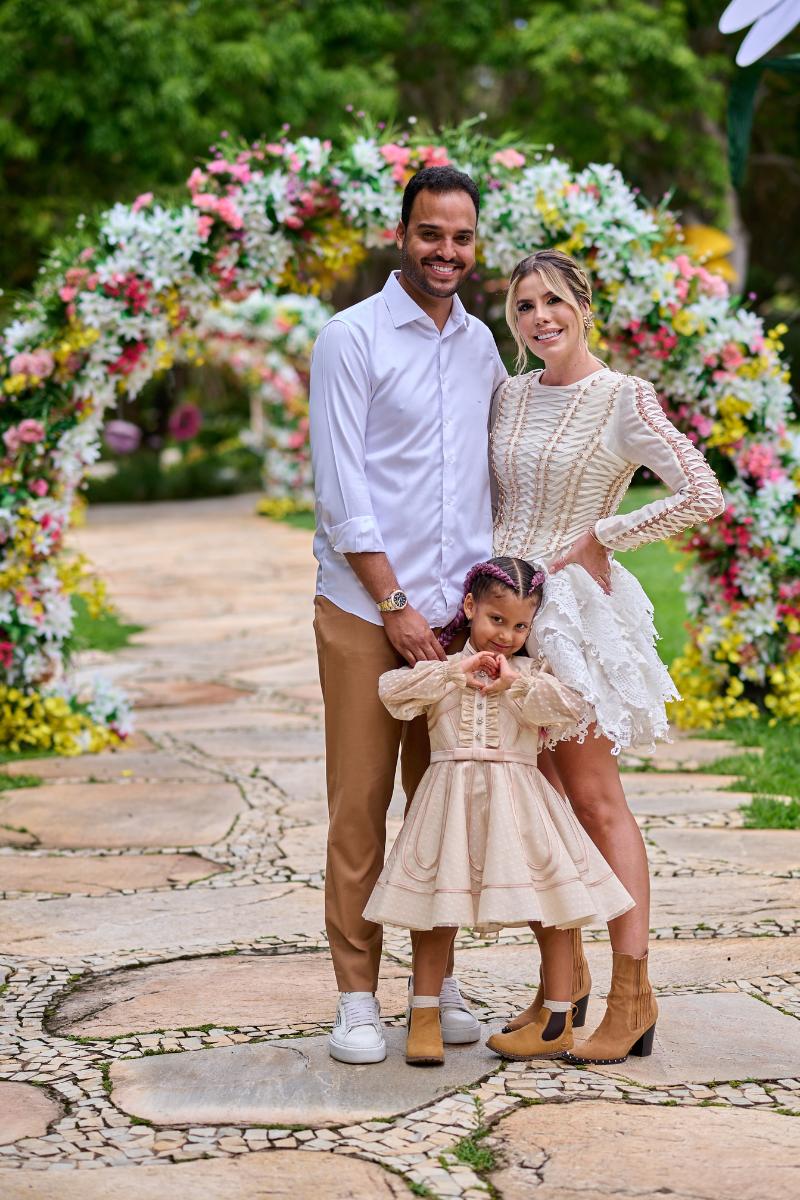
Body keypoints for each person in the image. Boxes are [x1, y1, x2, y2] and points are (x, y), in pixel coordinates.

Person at [490, 248, 725, 1064]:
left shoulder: (622, 397)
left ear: (583, 305)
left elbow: (702, 491)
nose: (540, 317)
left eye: (553, 300)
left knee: (593, 804)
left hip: (570, 626)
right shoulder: (509, 395)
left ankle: (634, 993)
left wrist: (606, 535)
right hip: (502, 624)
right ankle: (563, 992)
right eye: (524, 307)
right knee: (532, 808)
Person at [310, 166, 508, 1064]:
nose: (447, 253)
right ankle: (358, 995)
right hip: (364, 613)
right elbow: (342, 488)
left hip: (457, 630)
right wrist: (392, 604)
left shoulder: (482, 350)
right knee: (360, 807)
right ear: (403, 234)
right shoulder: (349, 339)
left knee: (446, 808)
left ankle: (436, 986)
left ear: (476, 244)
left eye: (461, 238)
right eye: (432, 234)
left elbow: (498, 475)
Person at [363, 557, 634, 1066]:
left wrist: (515, 683)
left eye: (520, 626)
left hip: (519, 806)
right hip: (450, 802)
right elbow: (391, 693)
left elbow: (571, 706)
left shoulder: (530, 674)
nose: (506, 635)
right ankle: (424, 1018)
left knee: (551, 909)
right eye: (496, 620)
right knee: (437, 910)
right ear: (470, 608)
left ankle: (556, 1020)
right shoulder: (443, 671)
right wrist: (453, 671)